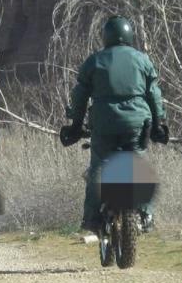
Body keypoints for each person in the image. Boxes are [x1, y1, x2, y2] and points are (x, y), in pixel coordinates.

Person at [62, 16, 168, 232]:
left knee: (97, 170)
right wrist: (159, 124)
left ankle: (91, 219)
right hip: (137, 125)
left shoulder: (95, 61)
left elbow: (80, 97)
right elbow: (154, 95)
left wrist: (75, 126)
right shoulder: (143, 60)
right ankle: (146, 215)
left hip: (104, 126)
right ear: (130, 36)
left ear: (106, 37)